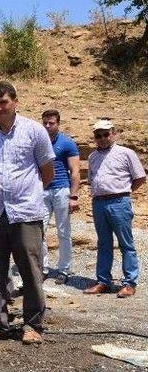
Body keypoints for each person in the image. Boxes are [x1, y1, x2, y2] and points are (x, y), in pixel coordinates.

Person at [0, 81, 55, 345]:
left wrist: (25, 193)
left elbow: (47, 173)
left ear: (15, 102)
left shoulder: (34, 131)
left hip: (26, 211)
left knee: (30, 269)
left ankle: (33, 325)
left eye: (3, 103)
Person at [84, 119, 146, 298]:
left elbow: (140, 178)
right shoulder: (92, 156)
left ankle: (129, 283)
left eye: (106, 134)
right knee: (103, 243)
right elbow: (91, 180)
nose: (102, 138)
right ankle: (103, 281)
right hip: (99, 203)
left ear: (113, 134)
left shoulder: (126, 153)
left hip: (119, 202)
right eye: (98, 135)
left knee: (126, 243)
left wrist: (124, 192)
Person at [40, 109, 80, 284]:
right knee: (39, 230)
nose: (48, 126)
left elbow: (75, 171)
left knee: (63, 231)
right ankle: (42, 267)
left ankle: (64, 269)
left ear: (58, 123)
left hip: (61, 189)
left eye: (51, 123)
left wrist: (74, 196)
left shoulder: (67, 142)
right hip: (41, 190)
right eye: (45, 123)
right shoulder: (39, 141)